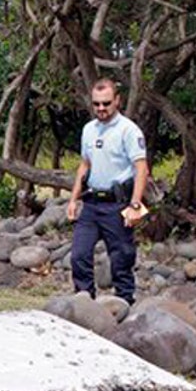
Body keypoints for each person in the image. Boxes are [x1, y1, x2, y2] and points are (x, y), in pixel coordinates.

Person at [66, 78, 148, 305]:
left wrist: (134, 205)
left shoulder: (128, 130)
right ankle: (84, 302)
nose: (101, 109)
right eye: (97, 104)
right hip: (92, 203)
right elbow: (85, 164)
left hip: (118, 204)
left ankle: (124, 303)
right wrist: (73, 200)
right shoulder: (89, 130)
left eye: (106, 103)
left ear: (117, 101)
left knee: (121, 258)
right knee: (79, 255)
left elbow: (141, 169)